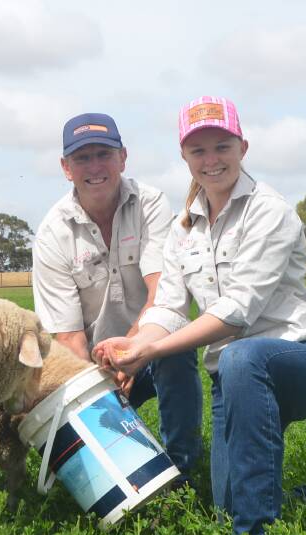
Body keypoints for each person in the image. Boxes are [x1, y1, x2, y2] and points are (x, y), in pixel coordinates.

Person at [92, 96, 306, 535]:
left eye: (221, 146)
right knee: (230, 499)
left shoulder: (269, 210)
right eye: (198, 150)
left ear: (242, 147)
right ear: (184, 156)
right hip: (234, 375)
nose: (211, 160)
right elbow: (166, 307)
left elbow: (237, 311)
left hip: (300, 359)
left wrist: (154, 350)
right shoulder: (183, 229)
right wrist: (134, 346)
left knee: (242, 357)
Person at [32, 112, 204, 478]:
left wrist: (132, 352)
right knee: (56, 393)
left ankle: (184, 468)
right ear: (66, 167)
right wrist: (99, 379)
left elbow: (162, 291)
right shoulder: (52, 234)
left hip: (149, 344)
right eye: (82, 157)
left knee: (178, 349)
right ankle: (122, 475)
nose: (95, 166)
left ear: (122, 157)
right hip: (93, 365)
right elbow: (68, 337)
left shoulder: (151, 204)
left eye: (104, 154)